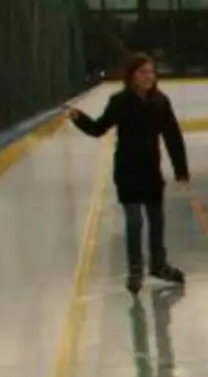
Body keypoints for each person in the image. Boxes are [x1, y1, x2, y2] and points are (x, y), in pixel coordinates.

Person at [68, 53, 189, 294]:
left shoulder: (160, 102)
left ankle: (159, 264)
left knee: (157, 221)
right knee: (134, 222)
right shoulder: (120, 101)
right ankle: (135, 269)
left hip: (151, 172)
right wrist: (79, 118)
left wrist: (181, 170)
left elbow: (172, 137)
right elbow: (99, 128)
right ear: (132, 75)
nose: (148, 77)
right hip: (127, 171)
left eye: (151, 72)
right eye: (143, 72)